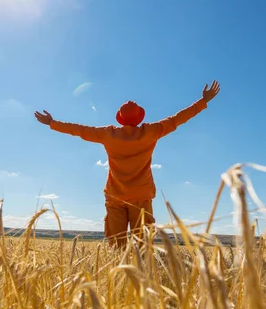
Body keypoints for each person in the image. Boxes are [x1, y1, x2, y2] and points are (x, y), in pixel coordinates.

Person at [35, 80, 220, 247]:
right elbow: (177, 119)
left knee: (117, 246)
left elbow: (80, 130)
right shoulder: (151, 132)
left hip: (115, 196)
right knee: (142, 245)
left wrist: (52, 123)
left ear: (120, 118)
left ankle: (117, 282)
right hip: (141, 195)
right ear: (140, 117)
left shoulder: (108, 134)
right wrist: (203, 101)